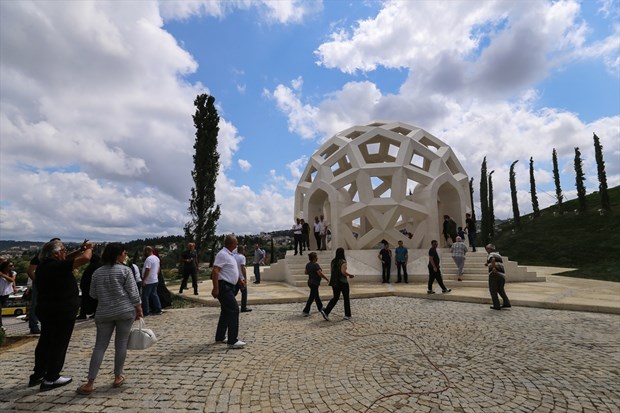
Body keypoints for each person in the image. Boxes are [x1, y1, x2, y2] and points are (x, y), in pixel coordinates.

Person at [76, 243, 143, 395]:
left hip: (104, 312)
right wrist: (139, 308)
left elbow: (93, 294)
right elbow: (133, 292)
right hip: (125, 310)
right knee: (121, 344)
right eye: (124, 253)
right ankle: (118, 376)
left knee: (100, 346)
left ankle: (90, 382)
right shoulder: (125, 270)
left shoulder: (97, 272)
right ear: (118, 255)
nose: (125, 255)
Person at [30, 239, 93, 391]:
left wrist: (79, 250)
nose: (65, 253)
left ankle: (38, 373)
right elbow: (85, 258)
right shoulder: (56, 266)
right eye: (63, 250)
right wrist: (89, 248)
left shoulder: (43, 266)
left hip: (47, 309)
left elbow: (68, 259)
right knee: (59, 343)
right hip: (61, 311)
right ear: (56, 254)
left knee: (45, 342)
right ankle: (51, 378)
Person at [212, 235, 246, 349]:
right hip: (224, 286)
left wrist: (239, 281)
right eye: (236, 243)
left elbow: (231, 271)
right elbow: (215, 271)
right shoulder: (222, 254)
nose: (237, 245)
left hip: (229, 286)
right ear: (232, 244)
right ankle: (232, 340)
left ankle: (220, 336)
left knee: (226, 311)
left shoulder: (230, 255)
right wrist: (215, 288)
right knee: (234, 310)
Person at [323, 248, 355, 320]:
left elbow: (332, 271)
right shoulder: (343, 261)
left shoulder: (333, 261)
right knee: (346, 298)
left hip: (335, 282)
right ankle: (347, 314)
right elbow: (343, 272)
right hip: (343, 282)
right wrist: (350, 275)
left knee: (335, 297)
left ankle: (326, 311)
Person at [302, 252, 329, 319]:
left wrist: (311, 272)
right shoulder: (316, 265)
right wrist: (326, 278)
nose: (317, 258)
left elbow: (306, 272)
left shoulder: (308, 264)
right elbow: (319, 273)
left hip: (310, 282)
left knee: (316, 295)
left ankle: (320, 307)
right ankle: (306, 310)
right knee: (312, 297)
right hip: (315, 282)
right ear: (314, 258)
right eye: (316, 257)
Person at [485, 244, 511, 310]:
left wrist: (493, 268)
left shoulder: (490, 254)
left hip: (494, 274)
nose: (486, 250)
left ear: (490, 249)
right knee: (500, 289)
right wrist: (487, 263)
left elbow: (493, 259)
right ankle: (506, 303)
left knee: (493, 290)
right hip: (502, 274)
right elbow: (495, 261)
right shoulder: (498, 255)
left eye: (487, 249)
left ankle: (496, 305)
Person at [76, 254, 101, 320]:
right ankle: (94, 313)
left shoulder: (91, 266)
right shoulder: (98, 266)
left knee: (85, 301)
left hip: (87, 286)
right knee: (95, 300)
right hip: (92, 286)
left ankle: (83, 314)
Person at [141, 246, 162, 317]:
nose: (144, 253)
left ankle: (146, 312)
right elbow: (158, 268)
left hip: (148, 280)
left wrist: (144, 279)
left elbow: (148, 269)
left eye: (144, 251)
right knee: (154, 294)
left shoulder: (149, 259)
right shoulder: (156, 258)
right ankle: (158, 309)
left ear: (147, 251)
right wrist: (156, 275)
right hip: (155, 279)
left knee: (145, 296)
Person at [234, 245, 252, 313]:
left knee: (234, 292)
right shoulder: (242, 257)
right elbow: (243, 268)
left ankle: (229, 305)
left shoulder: (233, 256)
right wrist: (245, 278)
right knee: (244, 293)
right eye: (244, 250)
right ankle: (243, 307)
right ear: (242, 250)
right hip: (241, 278)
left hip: (235, 277)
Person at [0, 260, 16, 331]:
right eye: (10, 266)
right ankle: (1, 326)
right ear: (5, 266)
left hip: (6, 293)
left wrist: (14, 287)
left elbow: (12, 280)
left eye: (12, 265)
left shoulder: (13, 273)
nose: (12, 267)